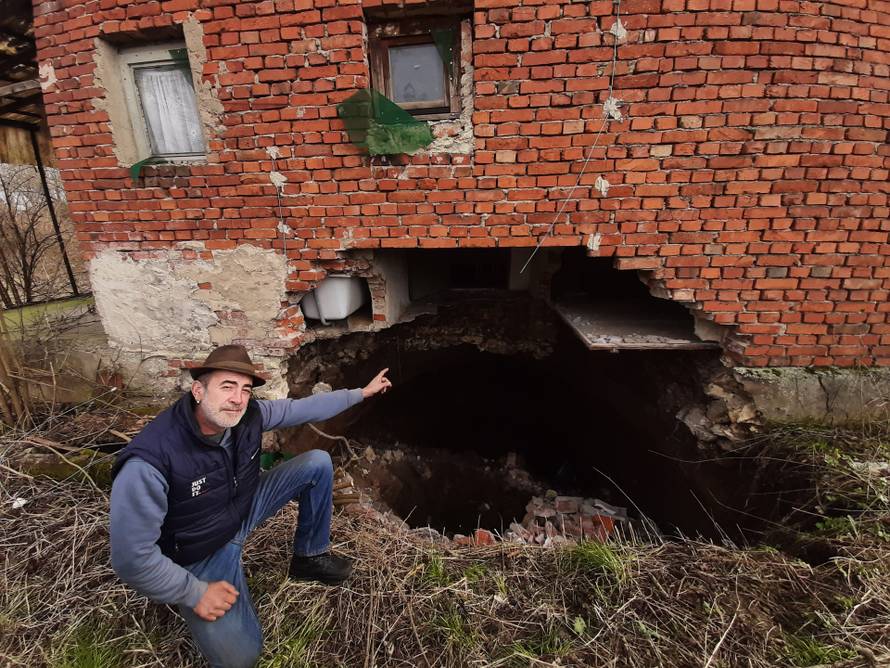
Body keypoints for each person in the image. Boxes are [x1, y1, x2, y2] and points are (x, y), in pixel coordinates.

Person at [109, 344, 391, 668]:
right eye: (227, 386)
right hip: (199, 550)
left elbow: (305, 408)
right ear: (198, 390)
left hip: (241, 508)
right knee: (241, 658)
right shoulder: (151, 461)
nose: (238, 398)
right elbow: (131, 559)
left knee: (317, 463)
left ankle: (310, 558)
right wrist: (194, 592)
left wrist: (361, 393)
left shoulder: (250, 416)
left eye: (245, 389)